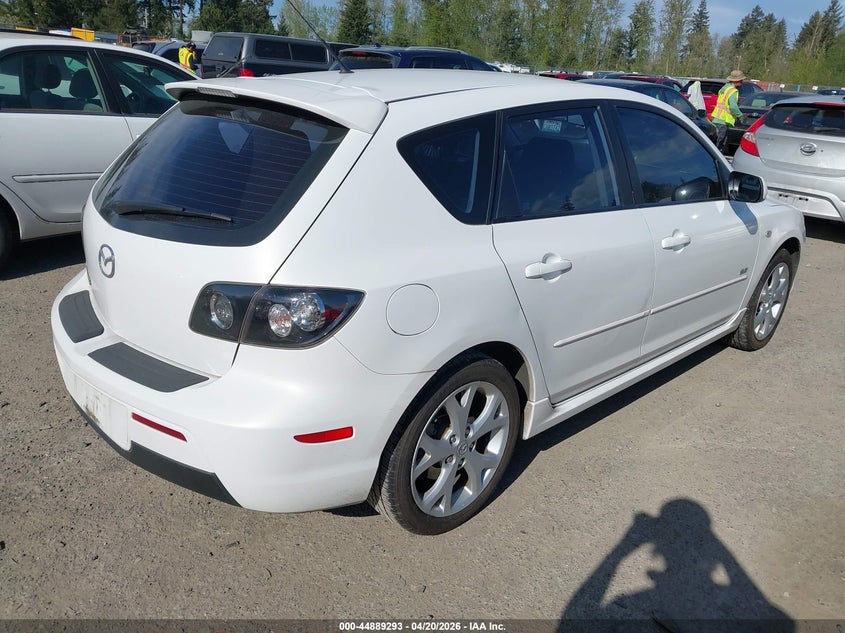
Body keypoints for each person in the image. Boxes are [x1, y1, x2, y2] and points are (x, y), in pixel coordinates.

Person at [710, 70, 746, 153]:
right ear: (736, 81)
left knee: (716, 141)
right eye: (741, 80)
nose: (742, 82)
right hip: (723, 120)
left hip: (717, 118)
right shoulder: (733, 91)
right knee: (719, 143)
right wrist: (740, 115)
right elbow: (733, 106)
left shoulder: (724, 88)